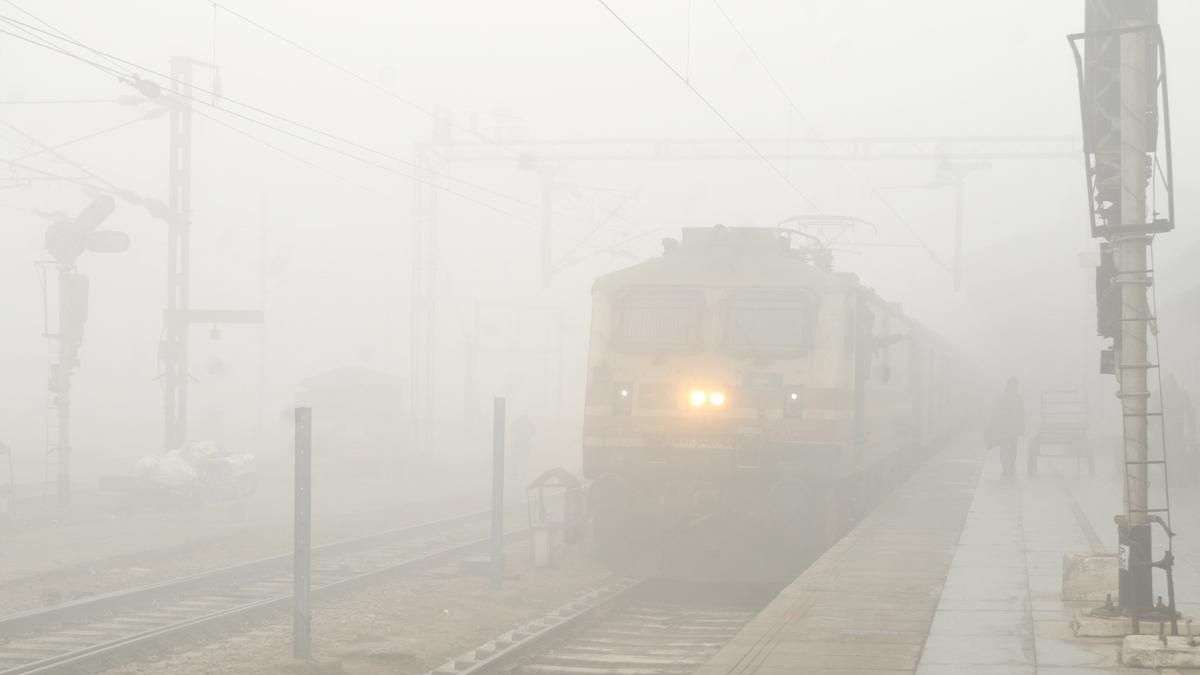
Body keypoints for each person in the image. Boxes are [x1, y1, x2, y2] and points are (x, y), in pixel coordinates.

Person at [986, 378, 1025, 476]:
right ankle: (1008, 467)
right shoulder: (1016, 398)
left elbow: (996, 413)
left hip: (1006, 428)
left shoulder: (1003, 397)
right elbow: (1021, 414)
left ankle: (1007, 467)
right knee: (1010, 449)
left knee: (1007, 449)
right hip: (1009, 428)